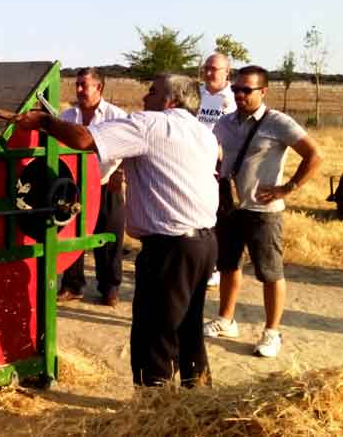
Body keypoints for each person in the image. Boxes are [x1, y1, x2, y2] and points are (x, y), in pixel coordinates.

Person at [15, 74, 218, 387]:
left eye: (152, 92)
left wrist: (44, 122)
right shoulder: (202, 133)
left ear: (170, 100)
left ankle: (153, 411)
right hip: (204, 244)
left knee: (155, 333)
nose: (144, 98)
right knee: (188, 328)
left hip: (170, 247)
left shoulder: (151, 124)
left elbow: (83, 140)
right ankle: (199, 401)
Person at [204, 65, 322, 358]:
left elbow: (314, 155)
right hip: (230, 209)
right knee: (229, 266)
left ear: (263, 91)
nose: (240, 94)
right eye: (236, 89)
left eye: (247, 90)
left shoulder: (278, 122)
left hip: (263, 212)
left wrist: (288, 187)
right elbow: (215, 154)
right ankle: (226, 319)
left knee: (270, 273)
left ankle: (272, 332)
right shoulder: (225, 122)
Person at [55, 68, 127, 306]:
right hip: (74, 186)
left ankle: (110, 288)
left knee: (109, 237)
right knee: (72, 233)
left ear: (99, 88)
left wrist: (119, 172)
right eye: (76, 84)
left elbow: (130, 148)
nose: (78, 90)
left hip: (106, 184)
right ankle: (72, 286)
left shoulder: (117, 116)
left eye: (83, 85)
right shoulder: (66, 117)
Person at [197, 53, 236, 288]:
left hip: (220, 167)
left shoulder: (231, 99)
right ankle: (202, 263)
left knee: (219, 218)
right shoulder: (196, 95)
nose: (209, 73)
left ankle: (216, 266)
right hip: (195, 164)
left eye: (214, 69)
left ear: (226, 73)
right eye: (206, 68)